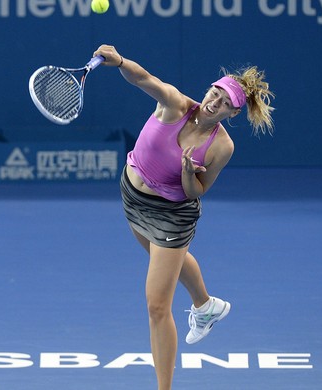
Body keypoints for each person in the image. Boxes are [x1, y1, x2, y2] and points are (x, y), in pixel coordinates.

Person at [93, 44, 275, 390]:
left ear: (233, 113)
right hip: (131, 196)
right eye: (215, 93)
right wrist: (119, 61)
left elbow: (196, 191)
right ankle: (206, 306)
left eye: (225, 104)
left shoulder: (222, 147)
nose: (214, 103)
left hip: (172, 216)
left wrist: (189, 173)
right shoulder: (174, 103)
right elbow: (143, 78)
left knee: (156, 306)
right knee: (166, 261)